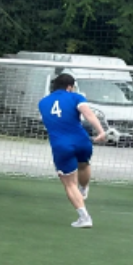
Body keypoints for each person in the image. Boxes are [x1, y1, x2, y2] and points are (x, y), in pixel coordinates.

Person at [39, 72, 109, 228]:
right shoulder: (76, 97)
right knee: (84, 163)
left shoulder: (43, 102)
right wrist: (101, 131)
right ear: (69, 87)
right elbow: (88, 113)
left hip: (61, 145)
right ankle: (84, 189)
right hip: (82, 141)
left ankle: (84, 218)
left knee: (70, 184)